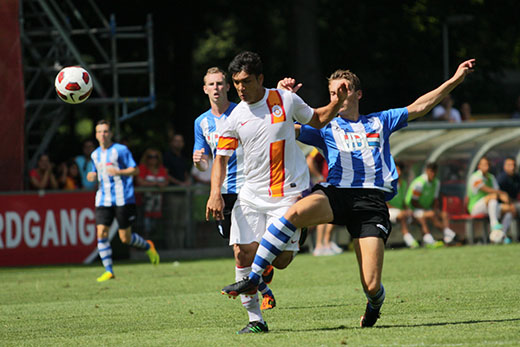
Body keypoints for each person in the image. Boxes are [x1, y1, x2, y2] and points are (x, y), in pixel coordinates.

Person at [220, 58, 477, 329]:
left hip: (371, 203)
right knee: (293, 211)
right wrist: (284, 98)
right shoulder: (325, 127)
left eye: (342, 90)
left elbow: (420, 106)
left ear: (357, 93)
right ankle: (254, 276)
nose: (337, 96)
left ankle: (374, 304)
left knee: (371, 283)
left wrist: (455, 80)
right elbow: (276, 125)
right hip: (337, 195)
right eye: (332, 93)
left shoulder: (380, 121)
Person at [206, 51, 349, 334]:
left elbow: (317, 120)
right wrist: (215, 193)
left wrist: (337, 102)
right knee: (241, 253)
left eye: (246, 81)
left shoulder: (285, 99)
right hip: (250, 195)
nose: (240, 89)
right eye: (236, 83)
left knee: (281, 261)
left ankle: (290, 242)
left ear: (260, 78)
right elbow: (220, 159)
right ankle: (255, 320)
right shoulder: (235, 117)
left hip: (287, 195)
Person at [193, 67, 278, 316]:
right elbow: (206, 162)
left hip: (252, 186)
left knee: (248, 248)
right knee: (241, 250)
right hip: (225, 192)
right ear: (205, 89)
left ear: (228, 86)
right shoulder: (201, 122)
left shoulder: (243, 111)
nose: (217, 88)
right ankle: (263, 282)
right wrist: (199, 161)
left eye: (221, 83)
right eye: (212, 84)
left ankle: (258, 306)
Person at [87, 120, 160, 282]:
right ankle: (109, 270)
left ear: (111, 134)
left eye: (105, 131)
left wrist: (119, 171)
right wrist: (90, 176)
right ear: (96, 135)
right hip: (103, 199)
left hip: (123, 198)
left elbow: (135, 170)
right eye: (99, 132)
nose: (102, 135)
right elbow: (93, 172)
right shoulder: (95, 154)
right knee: (101, 233)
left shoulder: (121, 150)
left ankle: (148, 246)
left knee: (125, 238)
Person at [405, 162, 456, 247]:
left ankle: (448, 239)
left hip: (426, 209)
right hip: (413, 210)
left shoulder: (436, 183)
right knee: (430, 215)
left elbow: (435, 200)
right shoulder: (419, 183)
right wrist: (427, 210)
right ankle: (433, 240)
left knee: (444, 214)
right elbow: (413, 202)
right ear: (426, 171)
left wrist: (435, 209)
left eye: (434, 171)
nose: (433, 174)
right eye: (431, 171)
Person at [467, 156, 515, 244]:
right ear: (479, 166)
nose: (487, 166)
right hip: (475, 208)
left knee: (510, 209)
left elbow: (497, 191)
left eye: (488, 164)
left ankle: (501, 235)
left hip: (490, 207)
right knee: (492, 197)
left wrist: (504, 197)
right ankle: (494, 224)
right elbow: (487, 190)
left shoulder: (491, 177)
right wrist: (502, 194)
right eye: (484, 164)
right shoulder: (475, 177)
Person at [306, 148, 342, 256]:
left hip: (336, 182)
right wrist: (318, 176)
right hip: (327, 182)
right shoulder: (321, 143)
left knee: (335, 213)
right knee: (325, 214)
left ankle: (327, 243)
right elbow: (309, 160)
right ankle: (319, 246)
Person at [136, 148, 169, 238]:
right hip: (144, 203)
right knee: (144, 226)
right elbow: (140, 181)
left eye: (155, 157)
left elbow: (166, 180)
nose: (153, 159)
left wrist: (162, 184)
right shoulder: (142, 168)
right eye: (150, 157)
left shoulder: (161, 169)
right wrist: (156, 184)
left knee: (155, 227)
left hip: (158, 204)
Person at [387, 161, 416, 248]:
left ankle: (426, 239)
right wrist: (402, 211)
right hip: (388, 210)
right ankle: (408, 238)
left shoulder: (403, 183)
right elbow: (385, 203)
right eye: (395, 169)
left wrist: (408, 209)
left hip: (399, 211)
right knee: (403, 215)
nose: (396, 171)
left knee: (414, 215)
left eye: (398, 169)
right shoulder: (388, 183)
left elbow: (403, 201)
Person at [496, 157, 520, 238]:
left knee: (510, 213)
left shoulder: (517, 178)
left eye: (513, 165)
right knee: (513, 209)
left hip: (513, 204)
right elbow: (499, 195)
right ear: (504, 166)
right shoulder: (501, 179)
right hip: (501, 205)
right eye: (509, 165)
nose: (512, 167)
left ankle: (501, 235)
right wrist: (510, 204)